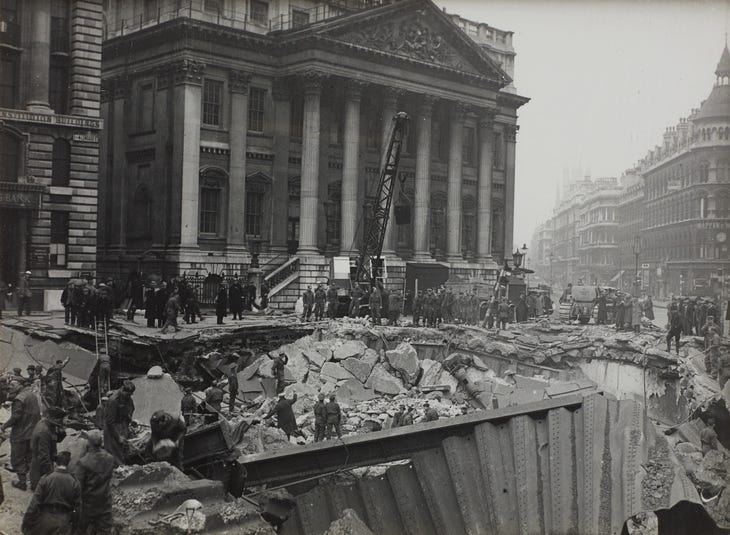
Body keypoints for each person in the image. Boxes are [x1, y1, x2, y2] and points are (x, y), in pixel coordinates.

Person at [21, 451, 81, 535]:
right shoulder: (74, 482)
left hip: (45, 519)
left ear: (56, 463)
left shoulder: (46, 478)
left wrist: (26, 521)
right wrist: (74, 527)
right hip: (63, 522)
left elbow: (34, 503)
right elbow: (77, 508)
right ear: (68, 463)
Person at [1, 380, 41, 490]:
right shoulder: (31, 395)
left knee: (16, 458)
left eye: (13, 385)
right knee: (29, 457)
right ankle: (33, 483)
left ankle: (22, 483)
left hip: (21, 433)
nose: (11, 387)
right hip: (33, 431)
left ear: (20, 385)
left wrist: (4, 426)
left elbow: (15, 417)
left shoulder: (19, 399)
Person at [75, 430, 116, 535]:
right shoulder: (110, 458)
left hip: (88, 503)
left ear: (89, 443)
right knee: (105, 530)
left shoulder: (83, 462)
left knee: (80, 530)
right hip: (105, 501)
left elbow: (78, 485)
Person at [30, 407, 66, 491]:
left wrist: (61, 431)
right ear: (53, 418)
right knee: (41, 489)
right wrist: (51, 475)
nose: (61, 422)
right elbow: (43, 457)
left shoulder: (49, 424)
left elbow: (56, 439)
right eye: (60, 420)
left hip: (46, 459)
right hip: (40, 466)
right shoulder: (44, 431)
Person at [104, 381, 136, 463]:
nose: (129, 396)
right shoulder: (114, 400)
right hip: (113, 427)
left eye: (130, 395)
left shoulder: (127, 398)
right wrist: (118, 437)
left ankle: (124, 462)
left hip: (123, 424)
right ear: (123, 390)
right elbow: (110, 422)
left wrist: (129, 417)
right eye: (128, 394)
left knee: (124, 447)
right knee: (114, 452)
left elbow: (131, 408)